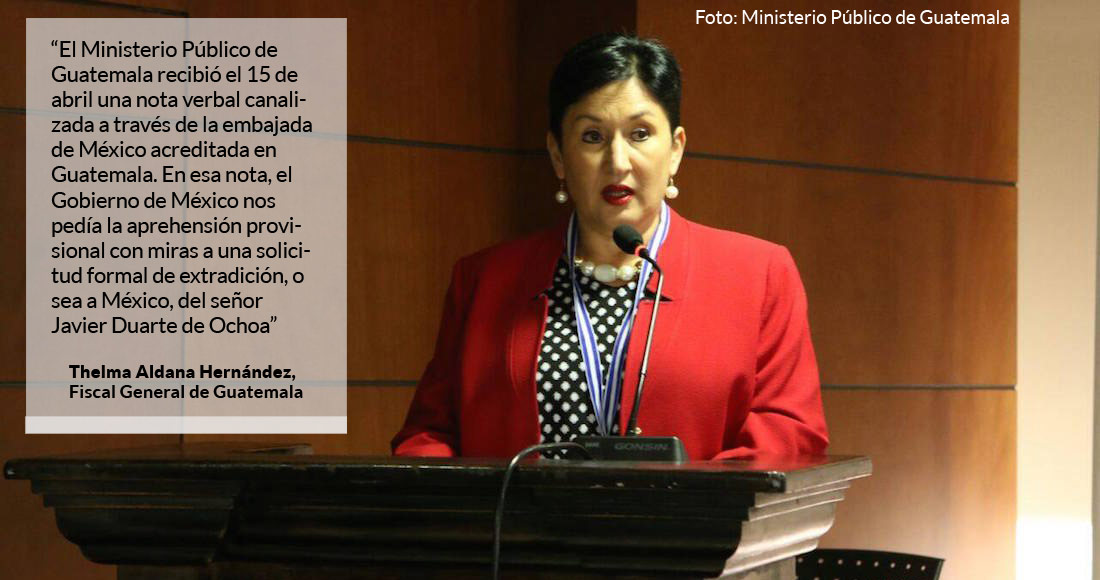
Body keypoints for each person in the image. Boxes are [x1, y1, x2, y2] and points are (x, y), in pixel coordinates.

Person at [391, 34, 828, 460]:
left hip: (688, 513)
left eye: (640, 133)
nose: (618, 161)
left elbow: (788, 434)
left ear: (675, 150)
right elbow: (429, 435)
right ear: (558, 155)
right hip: (516, 513)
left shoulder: (758, 274)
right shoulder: (483, 280)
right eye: (592, 137)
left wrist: (690, 502)